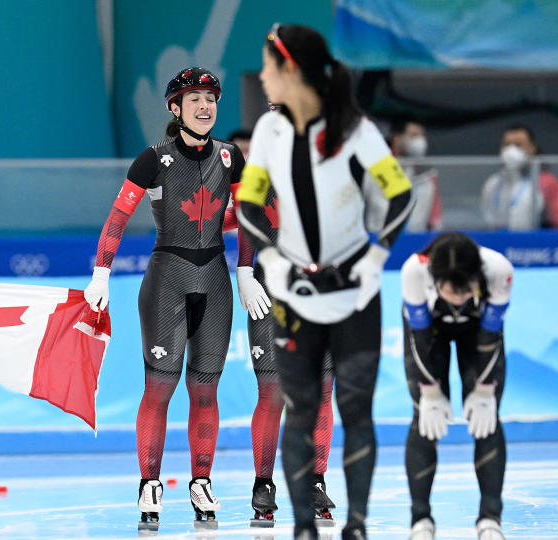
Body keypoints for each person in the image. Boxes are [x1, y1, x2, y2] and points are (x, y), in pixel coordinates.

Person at [236, 24, 414, 539]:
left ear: (290, 69)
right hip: (293, 295)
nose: (263, 78)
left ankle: (354, 525)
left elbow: (400, 197)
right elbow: (248, 204)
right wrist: (267, 260)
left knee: (354, 408)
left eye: (268, 68)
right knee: (299, 406)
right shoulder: (269, 133)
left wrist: (375, 256)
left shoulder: (355, 129)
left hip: (355, 294)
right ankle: (301, 528)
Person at [83, 67, 264, 530]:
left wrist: (245, 269)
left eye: (211, 98)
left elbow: (248, 217)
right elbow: (117, 219)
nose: (205, 106)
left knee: (206, 392)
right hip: (166, 283)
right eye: (194, 98)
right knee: (160, 388)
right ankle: (149, 483)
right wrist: (101, 273)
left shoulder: (231, 157)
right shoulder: (154, 159)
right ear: (175, 109)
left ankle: (201, 480)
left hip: (218, 284)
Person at [235, 185, 338, 527]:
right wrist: (245, 271)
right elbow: (244, 217)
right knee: (273, 391)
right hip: (269, 293)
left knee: (322, 389)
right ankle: (263, 483)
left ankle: (316, 479)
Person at [401, 232, 511, 540]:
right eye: (452, 292)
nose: (460, 299)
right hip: (429, 334)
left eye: (466, 292)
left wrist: (486, 389)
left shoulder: (498, 270)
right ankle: (420, 520)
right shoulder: (414, 271)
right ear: (435, 280)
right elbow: (419, 339)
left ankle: (490, 519)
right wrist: (430, 390)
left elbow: (491, 337)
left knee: (487, 420)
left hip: (478, 332)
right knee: (424, 417)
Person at [481, 123, 558, 230]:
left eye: (518, 145)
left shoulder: (546, 181)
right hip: (499, 242)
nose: (511, 151)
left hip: (533, 244)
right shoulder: (493, 183)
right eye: (507, 145)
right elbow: (487, 220)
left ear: (532, 148)